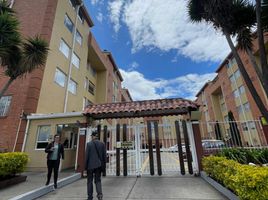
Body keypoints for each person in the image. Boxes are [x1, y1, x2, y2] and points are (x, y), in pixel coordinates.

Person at [85, 131, 106, 200]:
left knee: (89, 181)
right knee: (98, 180)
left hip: (90, 166)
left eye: (92, 136)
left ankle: (90, 197)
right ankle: (100, 196)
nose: (91, 137)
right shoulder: (102, 144)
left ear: (93, 136)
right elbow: (104, 157)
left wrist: (85, 167)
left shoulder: (89, 144)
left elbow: (86, 156)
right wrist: (104, 167)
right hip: (99, 166)